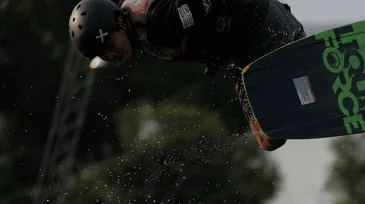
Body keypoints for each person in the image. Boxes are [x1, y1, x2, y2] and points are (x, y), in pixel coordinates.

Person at [68, 0, 306, 151]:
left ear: (120, 21)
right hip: (244, 54)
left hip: (264, 31)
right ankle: (298, 86)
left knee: (270, 132)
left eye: (109, 43)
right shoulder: (133, 26)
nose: (112, 54)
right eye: (104, 54)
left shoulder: (158, 22)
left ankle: (299, 81)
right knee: (267, 139)